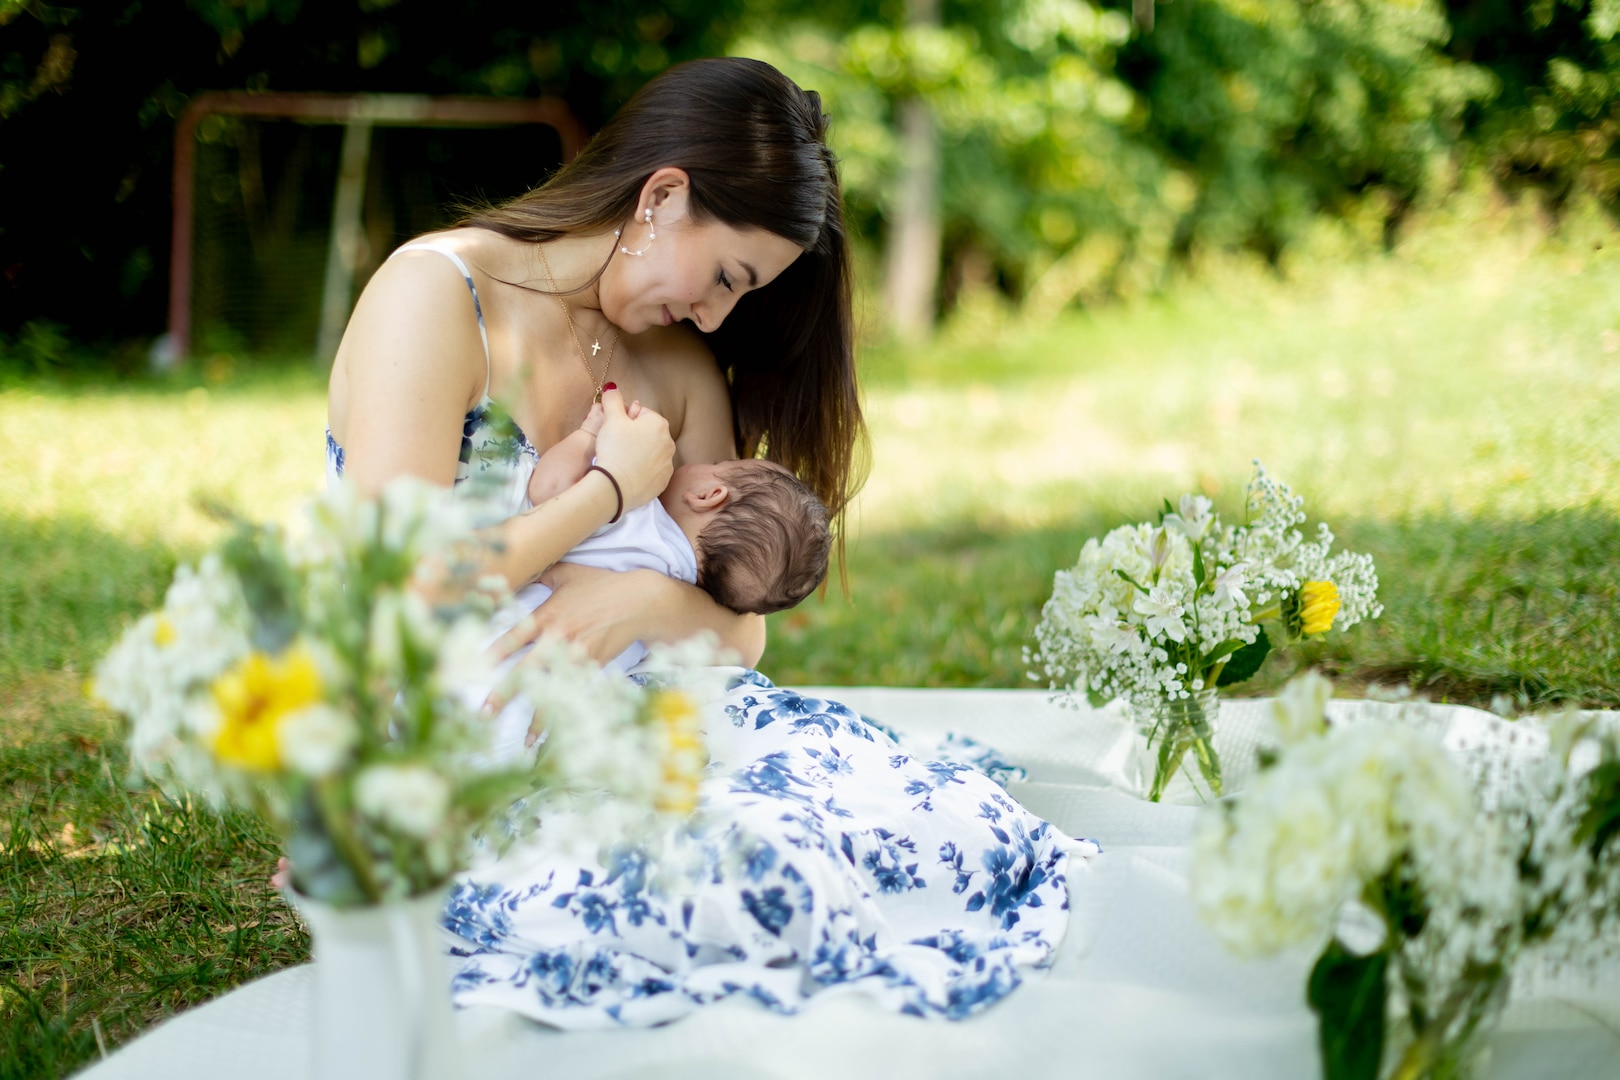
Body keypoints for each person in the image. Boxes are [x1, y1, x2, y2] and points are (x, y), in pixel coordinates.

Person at [324, 56, 1087, 1026]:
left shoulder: (676, 364)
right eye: (725, 276)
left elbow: (741, 636)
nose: (719, 316)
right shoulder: (437, 299)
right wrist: (607, 495)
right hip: (476, 740)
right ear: (664, 195)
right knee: (736, 886)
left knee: (925, 821)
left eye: (744, 294)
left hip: (656, 715)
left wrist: (641, 601)